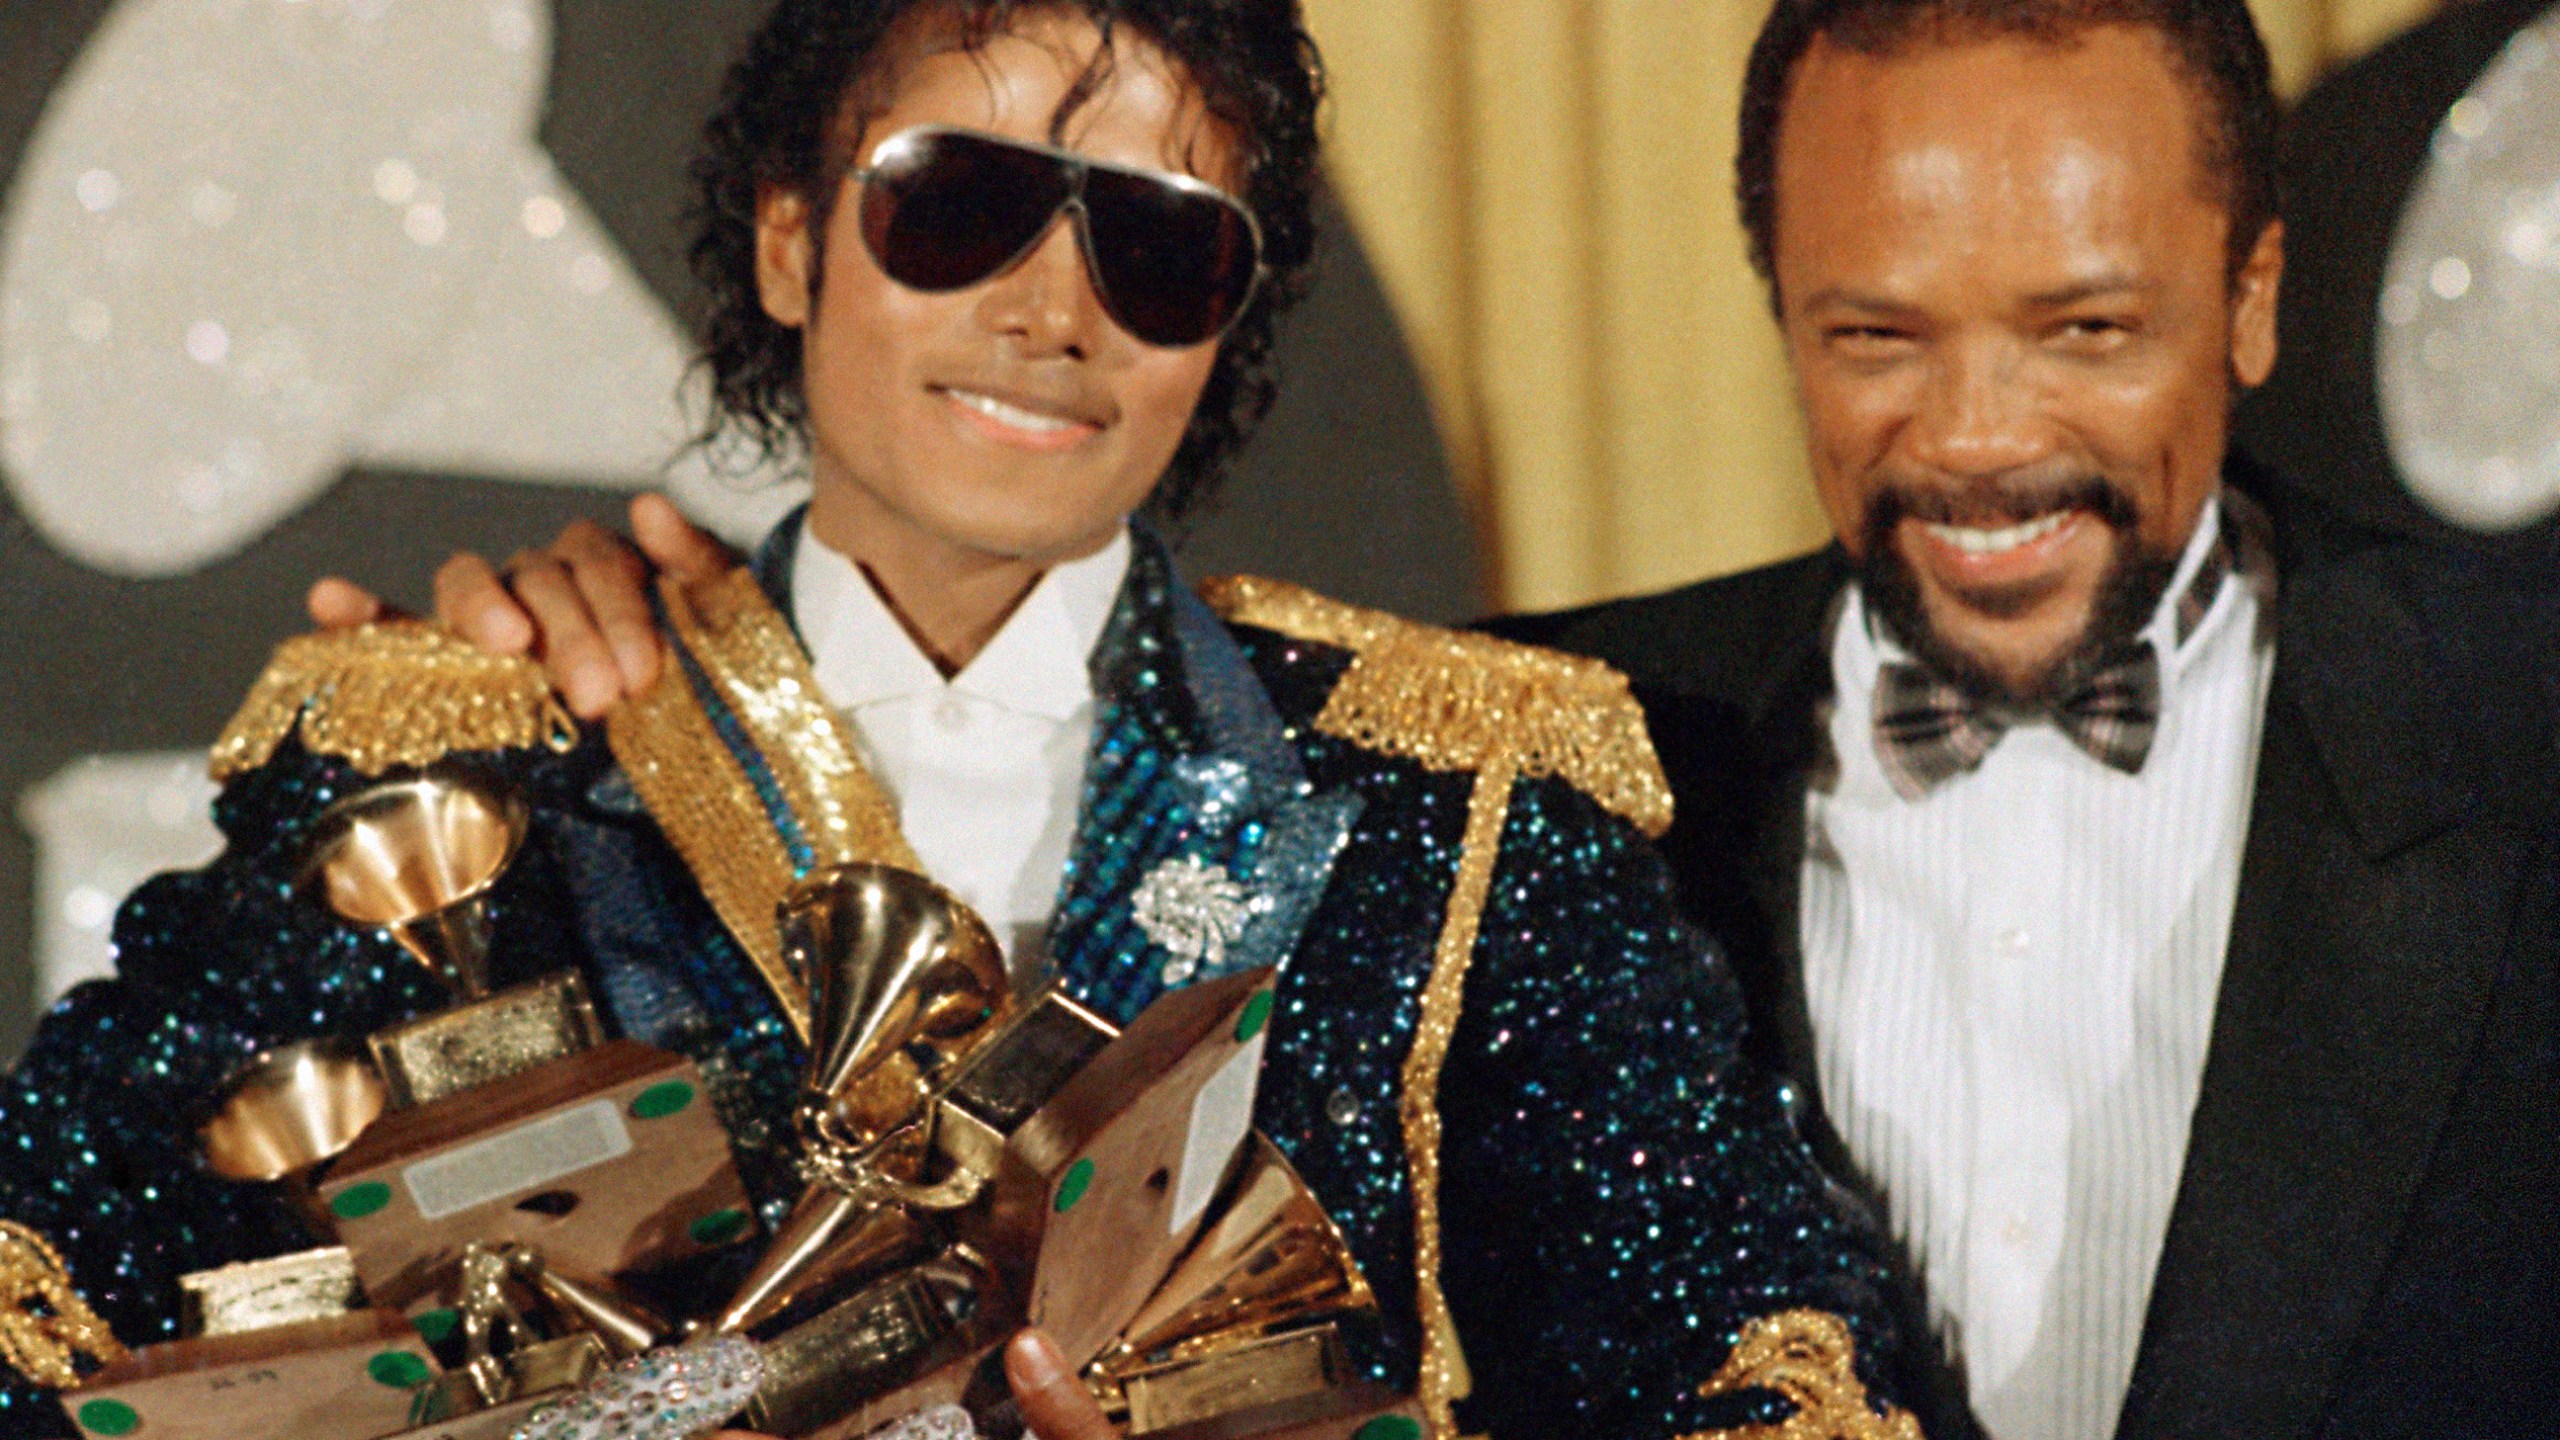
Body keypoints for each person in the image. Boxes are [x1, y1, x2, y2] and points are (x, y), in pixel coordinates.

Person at [428, 1, 2560, 1436]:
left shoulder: (1462, 796)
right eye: (1875, 333)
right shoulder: (1531, 748)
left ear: (2256, 297)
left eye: (2084, 327)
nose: (1980, 431)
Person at [0, 3, 1921, 1439]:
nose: (1052, 309)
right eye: (961, 206)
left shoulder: (1470, 806)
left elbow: (1763, 1367)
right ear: (787, 243)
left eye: (1157, 248)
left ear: (1222, 335)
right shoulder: (453, 760)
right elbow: (40, 1293)